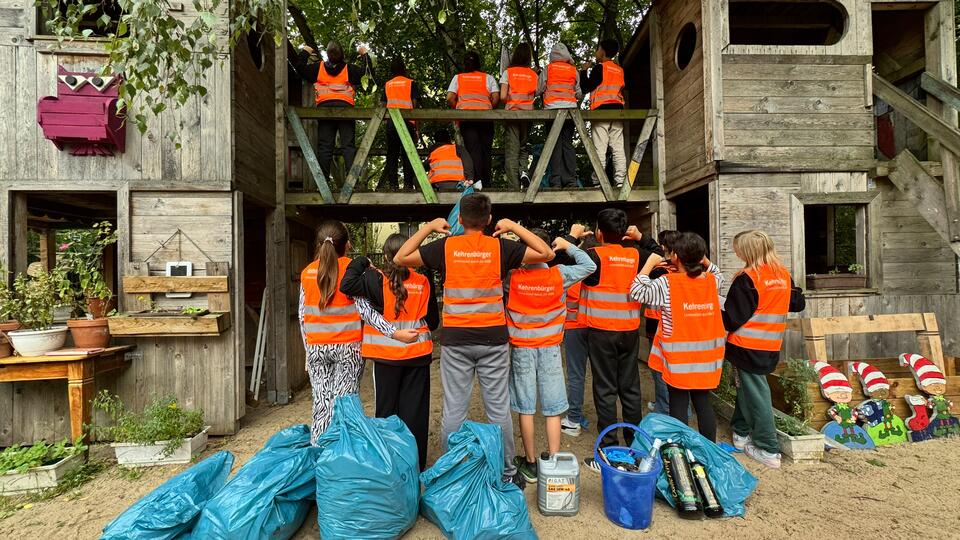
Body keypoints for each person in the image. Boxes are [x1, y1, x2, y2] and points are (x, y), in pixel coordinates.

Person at [393, 193, 553, 484]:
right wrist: (514, 227)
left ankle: (451, 470)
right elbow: (546, 253)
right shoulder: (500, 247)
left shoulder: (447, 247)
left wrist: (428, 228)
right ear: (489, 220)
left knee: (455, 409)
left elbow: (400, 257)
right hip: (493, 338)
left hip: (456, 339)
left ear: (460, 220)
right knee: (498, 409)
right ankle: (506, 472)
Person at [298, 220, 419, 445]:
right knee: (346, 404)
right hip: (348, 349)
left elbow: (302, 316)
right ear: (346, 245)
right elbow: (366, 312)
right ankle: (344, 457)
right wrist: (395, 333)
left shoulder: (307, 272)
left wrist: (308, 350)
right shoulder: (352, 271)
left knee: (321, 404)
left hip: (316, 348)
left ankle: (320, 453)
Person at [570, 210, 662, 472]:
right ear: (624, 233)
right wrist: (642, 237)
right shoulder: (638, 256)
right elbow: (661, 256)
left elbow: (563, 259)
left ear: (599, 233)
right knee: (630, 387)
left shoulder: (594, 257)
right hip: (629, 331)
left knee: (605, 388)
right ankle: (635, 441)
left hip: (600, 332)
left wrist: (573, 238)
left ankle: (608, 446)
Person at [339, 233, 439, 470]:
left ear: (385, 256)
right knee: (415, 412)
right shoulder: (423, 281)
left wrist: (362, 260)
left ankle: (388, 465)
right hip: (417, 356)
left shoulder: (375, 280)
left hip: (385, 359)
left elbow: (346, 284)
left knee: (386, 411)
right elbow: (433, 321)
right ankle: (415, 466)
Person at [506, 229, 596, 483]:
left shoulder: (512, 277)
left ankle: (531, 463)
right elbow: (589, 265)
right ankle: (554, 461)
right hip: (551, 348)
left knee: (525, 407)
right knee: (553, 407)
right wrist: (568, 246)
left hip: (522, 347)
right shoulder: (560, 274)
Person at [631, 232, 725, 442]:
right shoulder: (711, 281)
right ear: (701, 257)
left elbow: (636, 291)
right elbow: (717, 271)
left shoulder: (667, 284)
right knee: (703, 403)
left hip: (679, 360)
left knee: (679, 404)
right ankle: (708, 448)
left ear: (674, 256)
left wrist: (649, 264)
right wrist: (702, 257)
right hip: (708, 359)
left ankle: (681, 450)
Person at [723, 230, 805, 469]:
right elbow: (797, 303)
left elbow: (733, 318)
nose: (735, 251)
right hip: (770, 345)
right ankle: (740, 432)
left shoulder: (748, 278)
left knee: (756, 393)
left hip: (746, 345)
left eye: (737, 247)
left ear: (748, 251)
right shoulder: (782, 274)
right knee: (746, 388)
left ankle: (768, 448)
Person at [294, 42, 373, 181]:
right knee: (348, 146)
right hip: (346, 111)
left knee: (325, 147)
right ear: (342, 55)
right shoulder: (349, 69)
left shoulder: (318, 68)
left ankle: (323, 181)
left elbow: (299, 68)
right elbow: (368, 73)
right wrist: (364, 54)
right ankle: (352, 181)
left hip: (325, 111)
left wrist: (305, 52)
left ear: (327, 55)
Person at [560, 231, 600, 437]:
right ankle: (605, 421)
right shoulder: (602, 270)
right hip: (597, 326)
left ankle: (574, 419)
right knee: (602, 376)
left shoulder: (571, 271)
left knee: (576, 375)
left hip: (574, 327)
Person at [447, 51, 499, 187]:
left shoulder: (458, 78)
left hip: (466, 119)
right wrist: (486, 107)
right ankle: (487, 183)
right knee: (486, 151)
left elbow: (450, 98)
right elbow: (496, 98)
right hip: (486, 119)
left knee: (473, 150)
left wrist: (459, 108)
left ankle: (477, 182)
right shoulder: (488, 78)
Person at [580, 38, 626, 187]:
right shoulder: (619, 70)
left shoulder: (600, 68)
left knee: (600, 147)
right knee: (618, 147)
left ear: (603, 52)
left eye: (598, 48)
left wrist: (583, 71)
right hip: (618, 111)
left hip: (601, 111)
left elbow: (586, 87)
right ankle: (620, 181)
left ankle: (598, 181)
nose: (596, 51)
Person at [645, 230, 681, 415]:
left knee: (659, 369)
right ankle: (684, 407)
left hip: (657, 323)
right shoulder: (685, 268)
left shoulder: (658, 270)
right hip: (679, 324)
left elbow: (641, 289)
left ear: (663, 247)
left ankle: (663, 406)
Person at [538, 43, 582, 188]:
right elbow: (579, 93)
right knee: (567, 145)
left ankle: (555, 181)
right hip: (570, 111)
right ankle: (570, 180)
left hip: (552, 110)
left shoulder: (548, 69)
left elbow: (539, 89)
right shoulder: (573, 71)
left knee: (554, 145)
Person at [500, 43, 538, 189]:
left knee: (512, 151)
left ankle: (514, 187)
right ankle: (523, 172)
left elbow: (503, 96)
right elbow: (537, 93)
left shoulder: (508, 73)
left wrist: (510, 100)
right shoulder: (533, 75)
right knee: (523, 148)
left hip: (512, 114)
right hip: (528, 115)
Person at [382, 57, 421, 191]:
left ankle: (393, 185)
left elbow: (382, 106)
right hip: (407, 122)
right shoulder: (411, 83)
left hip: (392, 123)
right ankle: (408, 185)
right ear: (404, 69)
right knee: (408, 153)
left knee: (392, 153)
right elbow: (415, 107)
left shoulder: (388, 84)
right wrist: (417, 129)